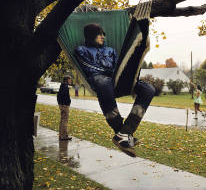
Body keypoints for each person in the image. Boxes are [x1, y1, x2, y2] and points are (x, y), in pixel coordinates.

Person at [74, 23, 155, 157]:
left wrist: (126, 75)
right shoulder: (81, 50)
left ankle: (125, 132)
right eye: (99, 34)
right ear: (91, 36)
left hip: (116, 80)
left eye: (103, 34)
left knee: (148, 89)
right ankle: (121, 132)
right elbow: (89, 68)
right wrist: (110, 72)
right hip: (99, 80)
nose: (102, 36)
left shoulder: (110, 50)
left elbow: (120, 67)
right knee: (104, 82)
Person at [57, 75, 72, 141]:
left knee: (62, 120)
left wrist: (60, 104)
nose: (70, 81)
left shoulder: (62, 86)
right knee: (65, 121)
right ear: (67, 80)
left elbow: (58, 96)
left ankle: (61, 135)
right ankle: (64, 136)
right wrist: (66, 104)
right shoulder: (65, 87)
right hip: (64, 106)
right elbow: (65, 97)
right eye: (70, 79)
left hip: (62, 105)